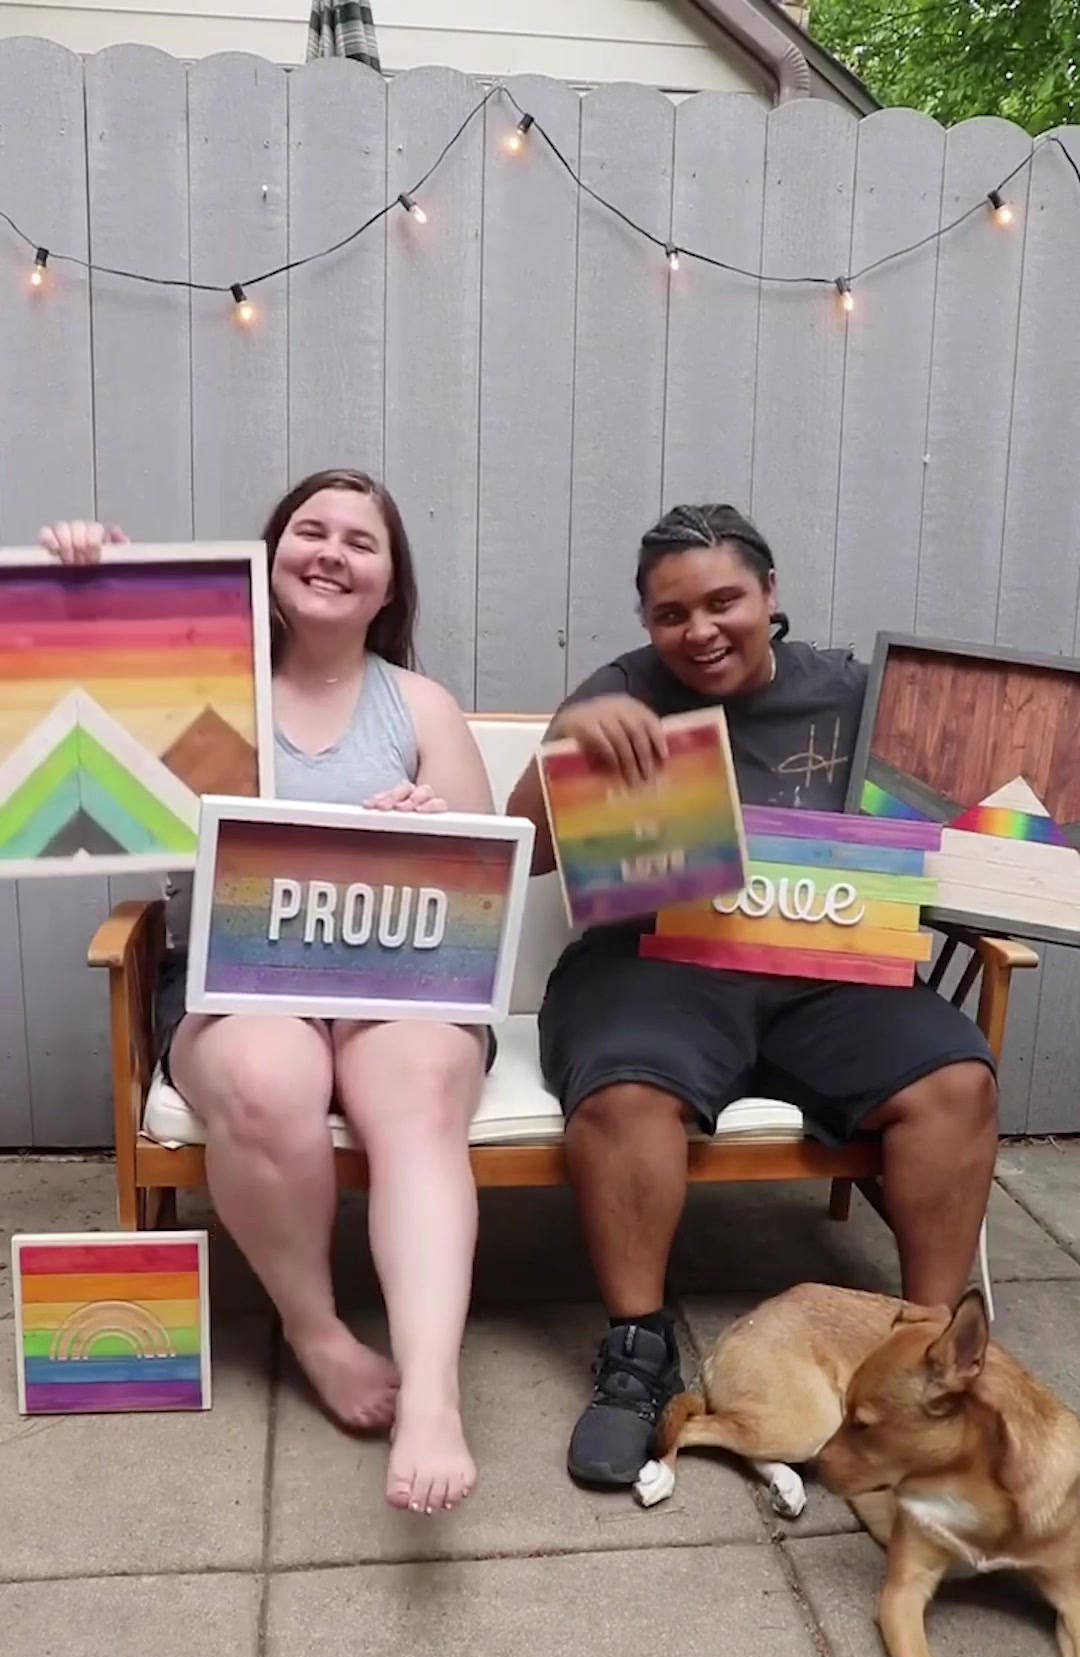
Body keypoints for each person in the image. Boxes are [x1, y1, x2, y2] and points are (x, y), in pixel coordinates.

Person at [507, 503, 998, 1491]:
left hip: (830, 966)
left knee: (957, 1082)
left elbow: (963, 824)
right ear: (645, 622)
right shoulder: (619, 695)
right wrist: (567, 749)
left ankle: (934, 1352)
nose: (699, 630)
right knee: (624, 1093)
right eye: (670, 614)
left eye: (723, 601)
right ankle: (637, 1354)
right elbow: (524, 850)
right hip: (657, 963)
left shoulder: (859, 693)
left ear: (770, 594)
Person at [42, 470, 494, 1515]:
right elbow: (61, 712)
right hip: (235, 981)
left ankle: (433, 1393)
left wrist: (428, 832)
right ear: (271, 555)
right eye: (310, 531)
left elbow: (482, 891)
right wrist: (92, 585)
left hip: (398, 981)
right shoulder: (189, 680)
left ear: (391, 585)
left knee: (419, 1088)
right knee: (264, 1074)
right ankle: (317, 1332)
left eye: (361, 542)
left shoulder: (420, 706)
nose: (331, 552)